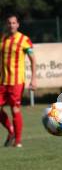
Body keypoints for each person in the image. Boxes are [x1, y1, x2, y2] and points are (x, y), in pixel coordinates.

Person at [0, 14, 37, 148]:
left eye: (14, 23)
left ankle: (18, 141)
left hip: (16, 82)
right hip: (2, 82)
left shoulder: (24, 39)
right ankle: (11, 131)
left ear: (18, 24)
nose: (11, 25)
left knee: (15, 109)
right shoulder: (2, 38)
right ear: (6, 24)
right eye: (9, 23)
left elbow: (33, 60)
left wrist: (33, 79)